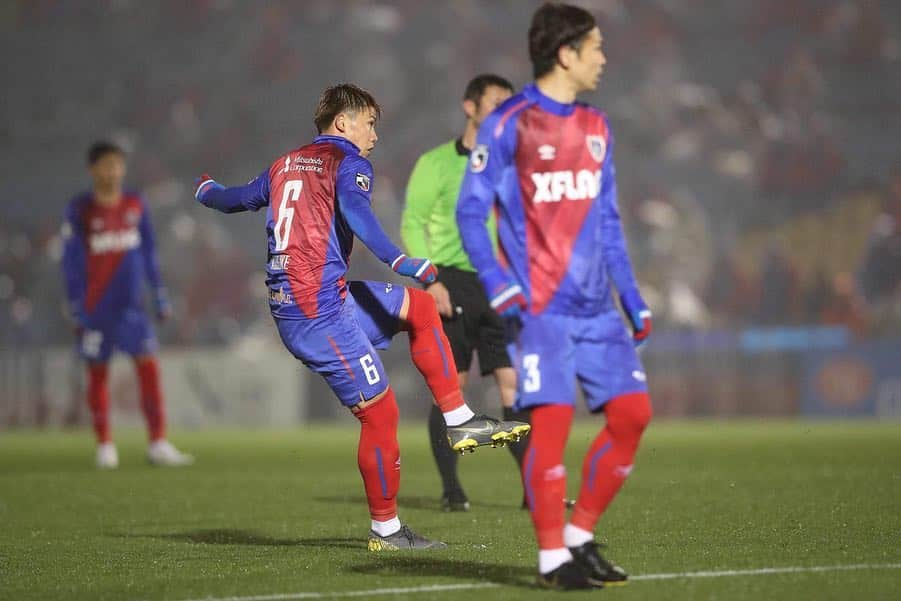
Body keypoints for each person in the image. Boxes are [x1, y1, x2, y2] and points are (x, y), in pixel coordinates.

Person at [193, 84, 528, 551]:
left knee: (421, 307)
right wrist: (402, 261)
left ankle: (458, 418)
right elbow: (357, 211)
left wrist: (206, 191)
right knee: (381, 413)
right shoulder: (347, 162)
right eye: (369, 122)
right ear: (343, 123)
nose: (374, 134)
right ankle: (387, 531)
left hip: (323, 296)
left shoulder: (284, 164)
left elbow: (236, 199)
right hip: (315, 313)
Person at [457, 3, 654, 590]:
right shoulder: (509, 122)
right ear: (565, 54)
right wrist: (499, 282)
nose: (603, 57)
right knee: (551, 428)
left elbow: (609, 220)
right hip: (540, 310)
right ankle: (551, 562)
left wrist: (632, 296)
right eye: (595, 47)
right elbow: (471, 212)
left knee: (632, 416)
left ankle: (578, 536)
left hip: (597, 310)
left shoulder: (597, 126)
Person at [401, 74, 531, 512]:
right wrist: (429, 279)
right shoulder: (435, 163)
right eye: (495, 103)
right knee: (451, 389)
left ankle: (534, 491)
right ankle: (452, 490)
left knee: (514, 385)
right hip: (451, 281)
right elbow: (411, 223)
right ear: (469, 106)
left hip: (498, 284)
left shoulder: (511, 165)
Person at [61, 141, 194, 469]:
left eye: (117, 164)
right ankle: (105, 445)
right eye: (106, 165)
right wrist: (76, 302)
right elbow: (72, 260)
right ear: (93, 169)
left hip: (132, 309)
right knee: (97, 375)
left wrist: (159, 292)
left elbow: (148, 252)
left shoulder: (136, 203)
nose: (113, 171)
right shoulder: (81, 210)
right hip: (96, 309)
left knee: (149, 370)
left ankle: (158, 442)